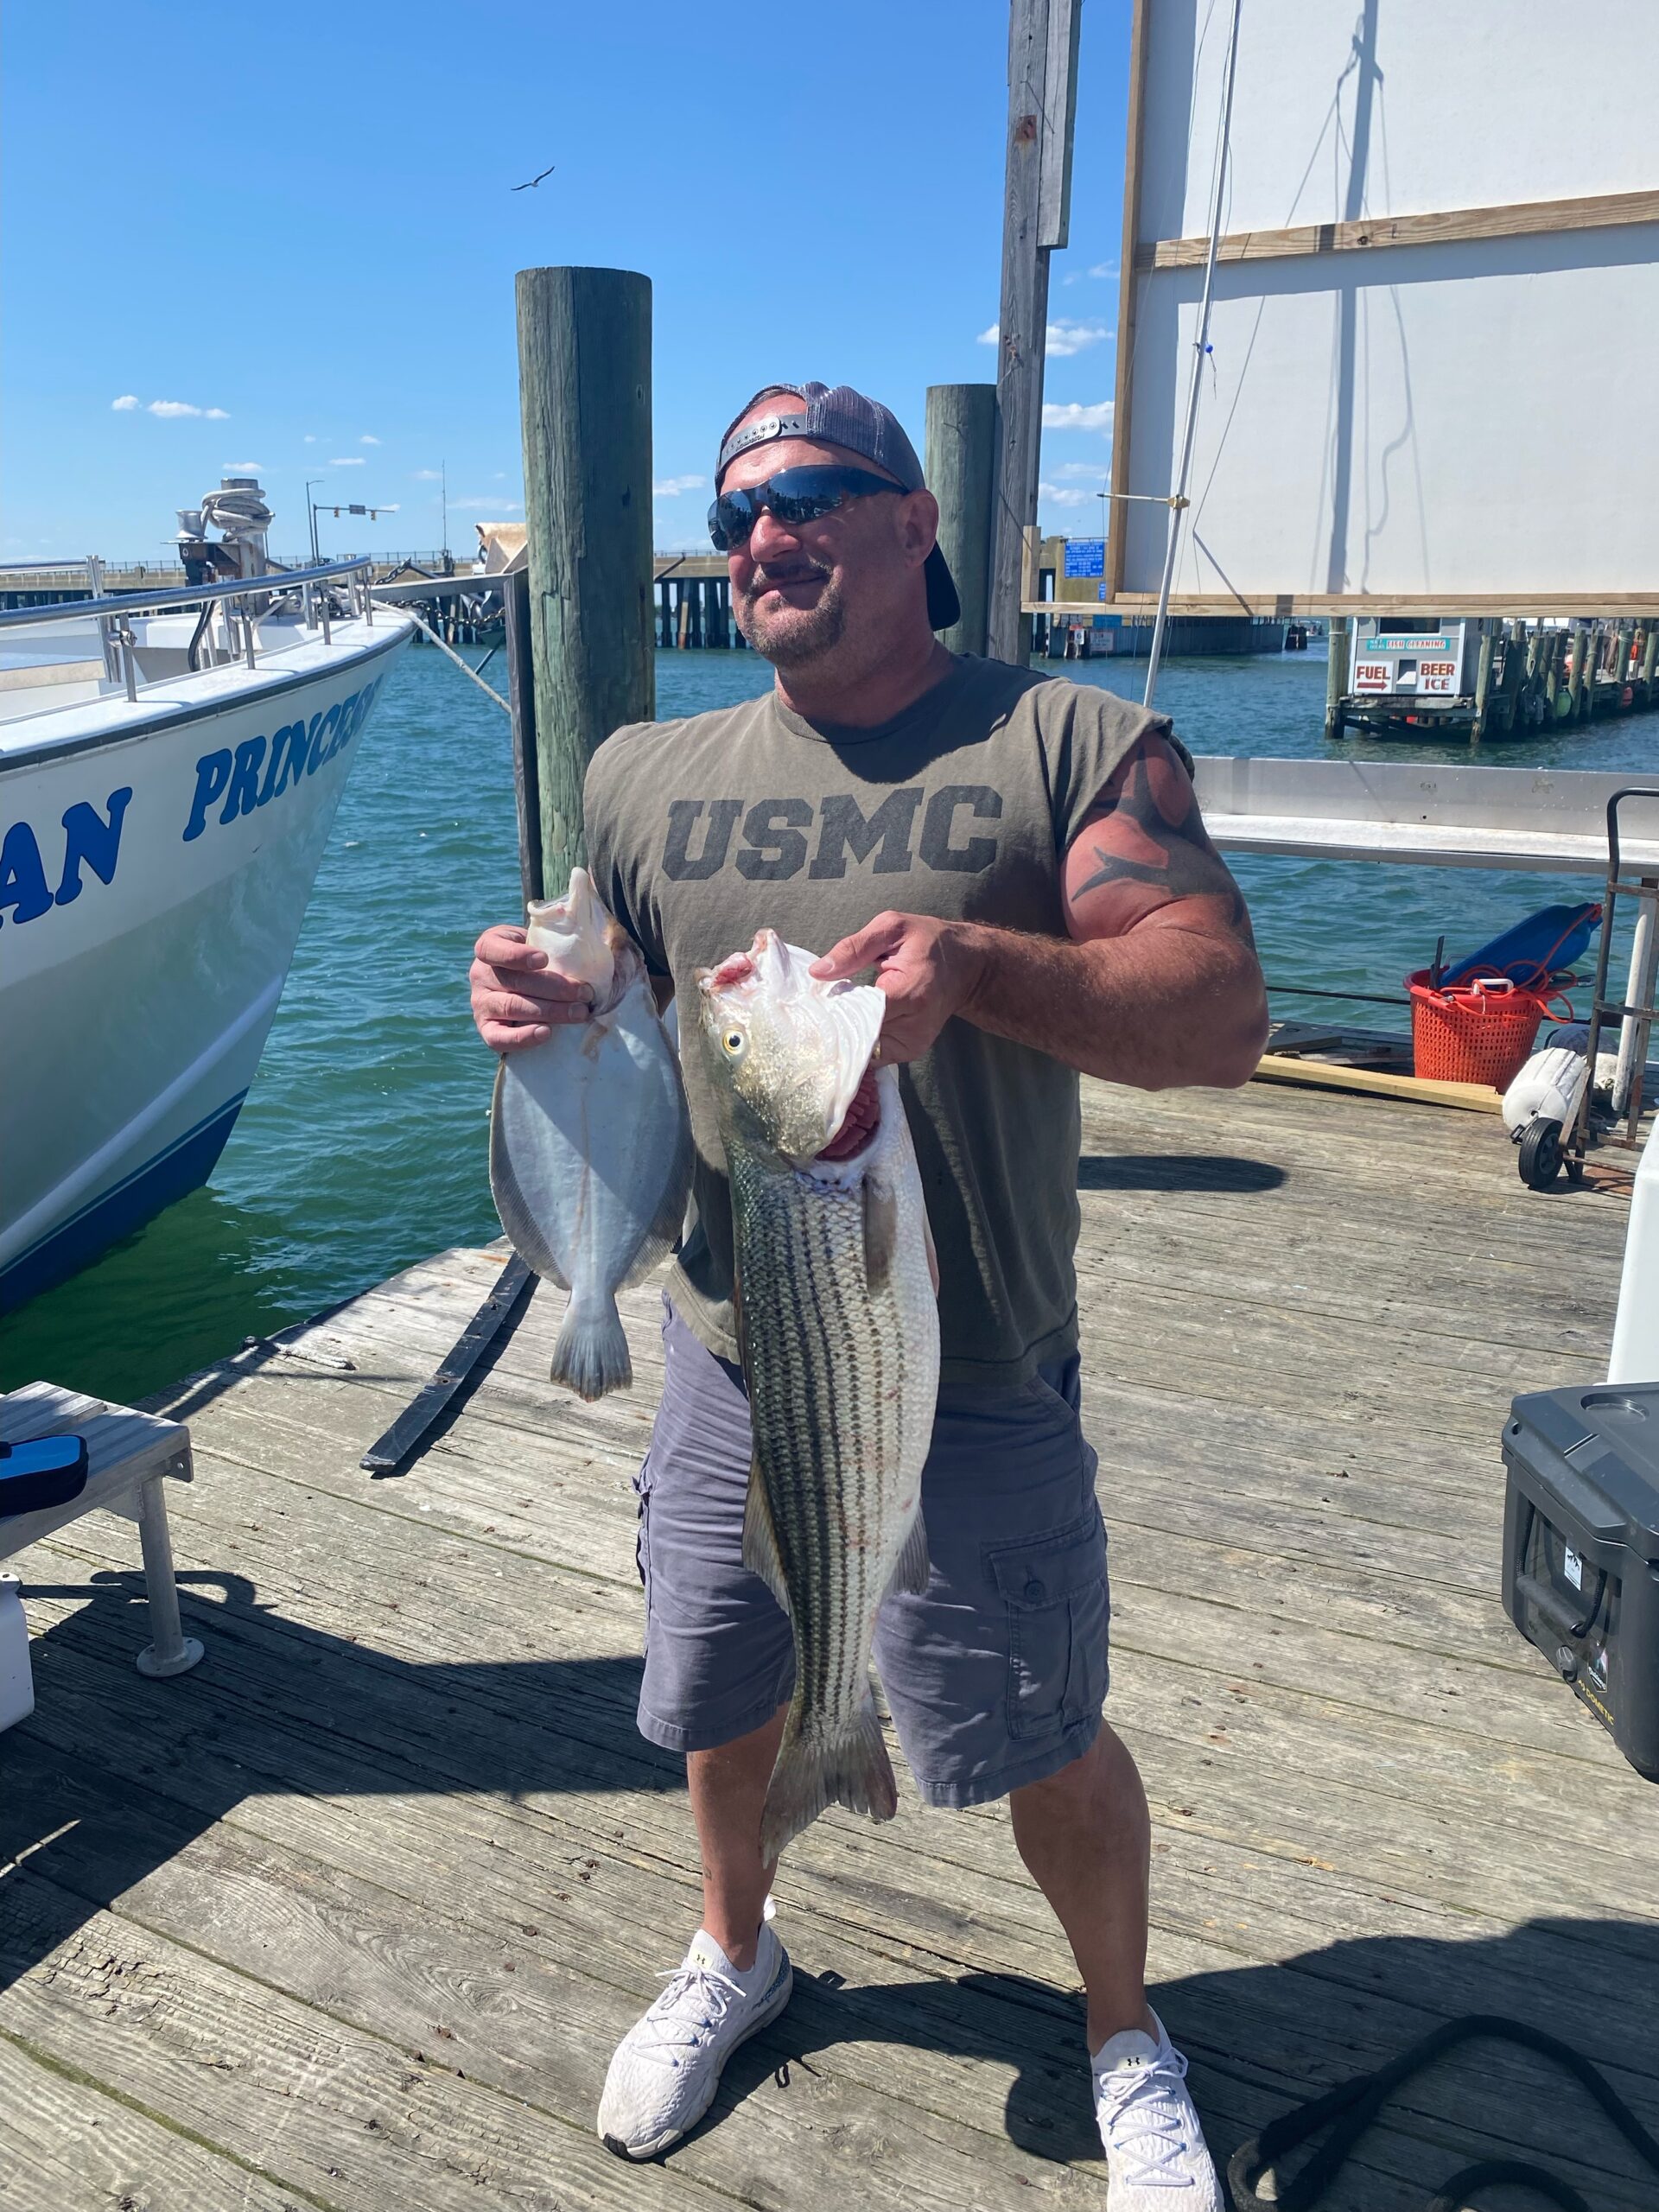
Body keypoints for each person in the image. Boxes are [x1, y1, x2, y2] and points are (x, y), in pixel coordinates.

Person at [469, 382, 1267, 2205]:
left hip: (971, 1354)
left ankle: (1127, 2027)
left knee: (1041, 1726)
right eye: (740, 505)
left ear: (919, 524)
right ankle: (736, 1947)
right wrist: (532, 999)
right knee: (727, 1683)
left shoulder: (1068, 735)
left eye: (819, 490)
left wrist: (981, 965)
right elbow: (604, 1001)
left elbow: (1218, 1011)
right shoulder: (641, 774)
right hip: (729, 1341)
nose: (769, 531)